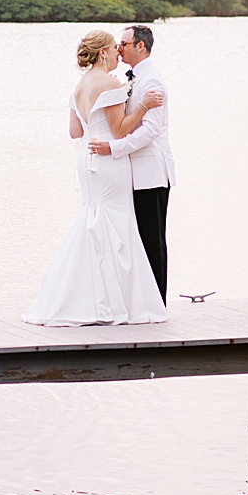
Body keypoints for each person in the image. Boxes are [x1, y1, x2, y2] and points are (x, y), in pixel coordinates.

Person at [23, 30, 168, 326]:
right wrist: (141, 106)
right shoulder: (110, 83)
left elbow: (75, 132)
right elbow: (119, 129)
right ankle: (117, 301)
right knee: (116, 225)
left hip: (86, 158)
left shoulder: (79, 86)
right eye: (114, 49)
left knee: (93, 221)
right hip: (109, 159)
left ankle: (80, 296)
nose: (118, 53)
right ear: (103, 53)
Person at [88, 24, 174, 303]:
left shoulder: (152, 82)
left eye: (124, 43)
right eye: (119, 45)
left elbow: (150, 132)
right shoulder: (131, 79)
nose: (120, 48)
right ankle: (140, 300)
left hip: (151, 173)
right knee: (136, 240)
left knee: (152, 240)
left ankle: (157, 302)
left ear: (141, 46)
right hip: (132, 174)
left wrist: (112, 148)